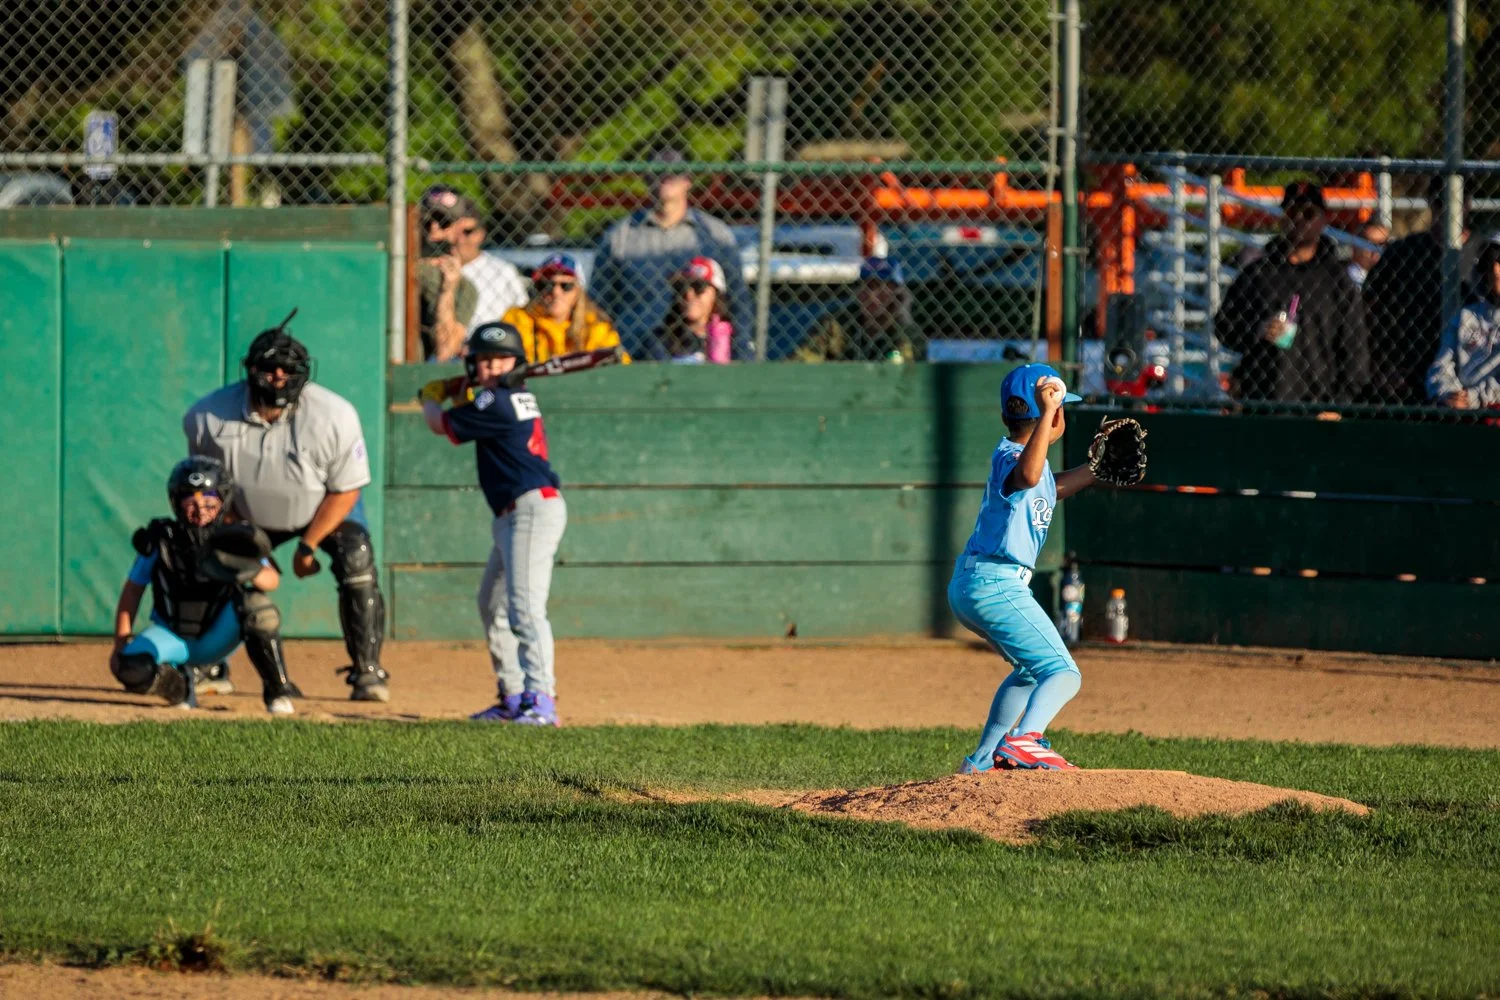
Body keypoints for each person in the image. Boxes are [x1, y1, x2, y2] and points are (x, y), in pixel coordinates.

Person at [183, 313, 390, 702]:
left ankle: (368, 671)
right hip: (246, 514)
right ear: (250, 371)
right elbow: (210, 492)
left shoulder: (334, 414)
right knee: (210, 556)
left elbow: (346, 492)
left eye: (287, 370)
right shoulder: (207, 416)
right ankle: (209, 662)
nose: (278, 378)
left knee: (356, 554)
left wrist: (308, 546)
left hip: (321, 511)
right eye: (269, 369)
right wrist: (245, 544)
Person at [418, 323, 567, 726]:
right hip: (513, 514)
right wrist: (466, 389)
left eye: (500, 360)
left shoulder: (499, 400)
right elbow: (480, 397)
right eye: (483, 360)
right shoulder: (505, 395)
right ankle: (514, 696)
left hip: (532, 509)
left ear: (515, 364)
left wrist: (430, 397)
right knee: (491, 605)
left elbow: (441, 425)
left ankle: (541, 699)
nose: (491, 367)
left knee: (525, 608)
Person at [949, 364, 1096, 773]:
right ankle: (1025, 740)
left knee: (1031, 671)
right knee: (1064, 672)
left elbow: (1047, 483)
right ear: (1050, 413)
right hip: (995, 582)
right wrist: (1050, 412)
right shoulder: (1012, 457)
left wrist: (1095, 471)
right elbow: (1031, 474)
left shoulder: (1023, 460)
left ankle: (981, 761)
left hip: (981, 582)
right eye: (1058, 407)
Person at [110, 456, 300, 714]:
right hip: (172, 634)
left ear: (223, 501)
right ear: (176, 502)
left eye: (209, 500)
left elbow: (272, 580)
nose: (200, 509)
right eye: (191, 500)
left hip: (217, 636)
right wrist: (120, 644)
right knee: (130, 668)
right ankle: (179, 687)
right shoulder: (161, 539)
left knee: (260, 610)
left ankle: (276, 692)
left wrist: (246, 568)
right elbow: (132, 591)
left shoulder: (235, 537)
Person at [1214, 182, 1369, 403]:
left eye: (1308, 214)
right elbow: (1224, 326)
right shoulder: (1258, 273)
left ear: (1323, 219)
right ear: (1283, 216)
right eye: (1292, 212)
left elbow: (1355, 351)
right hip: (1264, 400)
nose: (1299, 220)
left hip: (1318, 405)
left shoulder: (1337, 280)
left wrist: (1339, 406)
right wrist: (1258, 329)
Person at [590, 148, 752, 358]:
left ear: (688, 180)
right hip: (633, 355)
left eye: (673, 172)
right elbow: (598, 306)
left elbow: (738, 299)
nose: (665, 178)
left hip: (699, 355)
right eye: (657, 172)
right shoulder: (619, 238)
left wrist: (740, 350)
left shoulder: (715, 235)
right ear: (646, 178)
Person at [1364, 175, 1476, 403]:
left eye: (1457, 201)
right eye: (1440, 202)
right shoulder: (1403, 254)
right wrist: (1383, 369)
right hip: (1407, 377)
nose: (1448, 210)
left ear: (1468, 204)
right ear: (1430, 203)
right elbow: (1369, 312)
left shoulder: (1486, 257)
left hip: (1468, 381)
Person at [501, 253, 629, 364]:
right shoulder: (517, 320)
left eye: (565, 286)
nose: (556, 292)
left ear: (578, 291)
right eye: (546, 285)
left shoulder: (596, 328)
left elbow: (619, 368)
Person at [794, 258, 923, 363]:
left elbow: (910, 367)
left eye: (880, 287)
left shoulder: (908, 331)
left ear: (897, 294)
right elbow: (804, 359)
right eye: (865, 286)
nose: (870, 295)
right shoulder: (837, 324)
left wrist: (901, 320)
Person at [1428, 236, 1500, 410]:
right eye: (1492, 262)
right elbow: (1441, 364)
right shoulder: (1467, 315)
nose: (1496, 270)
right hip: (1459, 408)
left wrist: (1474, 398)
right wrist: (1448, 393)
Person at [417, 185, 480, 361]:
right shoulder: (394, 261)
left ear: (459, 228)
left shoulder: (463, 288)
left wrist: (447, 290)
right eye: (426, 220)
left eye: (443, 220)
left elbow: (445, 350)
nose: (433, 227)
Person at [642, 256, 734, 363]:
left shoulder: (734, 339)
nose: (688, 295)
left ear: (717, 294)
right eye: (681, 287)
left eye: (698, 287)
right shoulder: (661, 340)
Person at [1346, 221, 1388, 289]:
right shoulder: (1343, 278)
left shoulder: (1389, 276)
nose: (1376, 249)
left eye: (1382, 244)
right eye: (1371, 244)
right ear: (1356, 246)